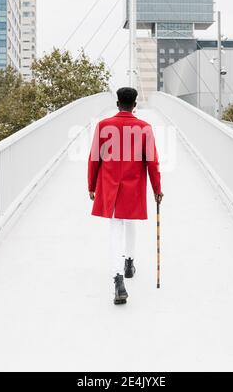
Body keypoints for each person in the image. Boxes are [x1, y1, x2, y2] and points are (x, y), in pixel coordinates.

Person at [88, 87, 163, 305]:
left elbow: (94, 158)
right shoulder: (144, 128)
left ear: (118, 103)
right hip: (133, 186)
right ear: (135, 105)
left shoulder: (103, 126)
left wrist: (92, 185)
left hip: (110, 185)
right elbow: (152, 162)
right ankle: (129, 262)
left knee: (115, 229)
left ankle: (118, 278)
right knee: (129, 221)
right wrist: (157, 189)